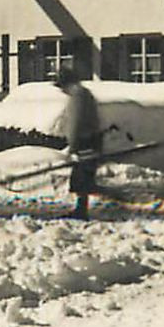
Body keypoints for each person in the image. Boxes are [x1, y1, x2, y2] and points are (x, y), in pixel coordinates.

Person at [53, 67, 103, 221]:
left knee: (82, 176)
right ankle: (81, 208)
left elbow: (75, 121)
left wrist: (73, 144)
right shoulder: (83, 93)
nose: (61, 90)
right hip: (91, 138)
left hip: (84, 140)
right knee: (84, 175)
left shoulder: (77, 96)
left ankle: (81, 210)